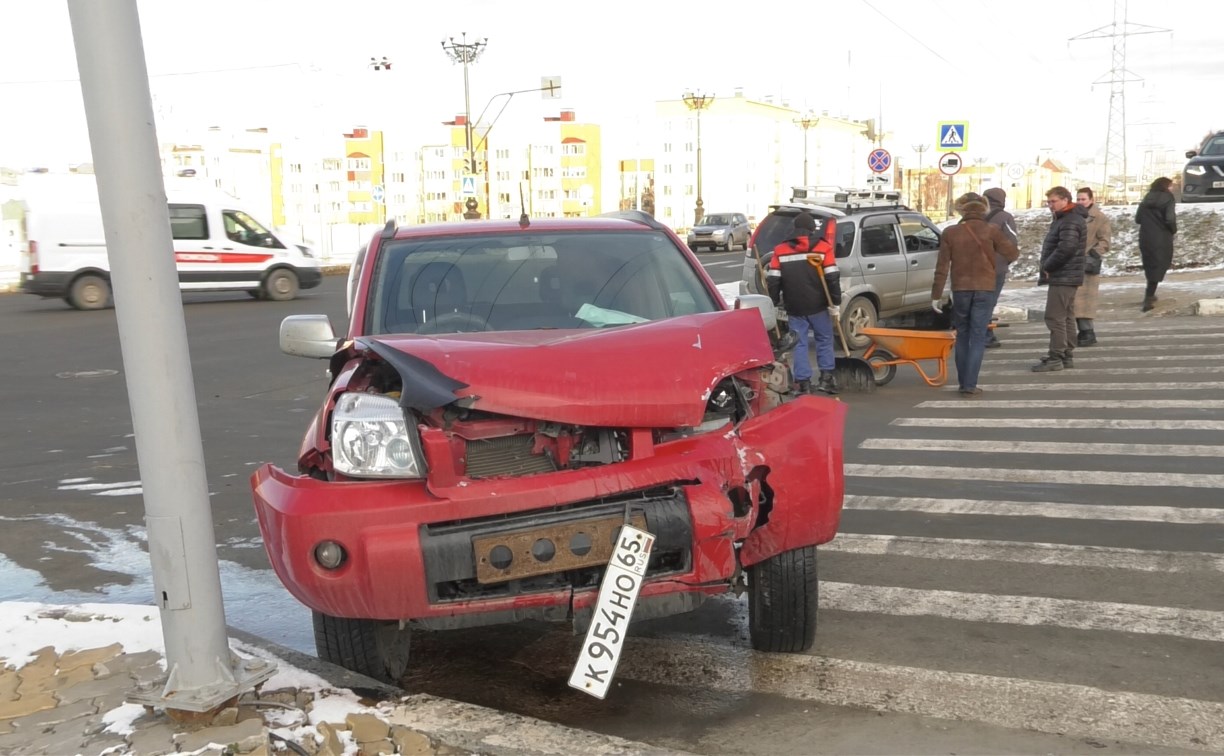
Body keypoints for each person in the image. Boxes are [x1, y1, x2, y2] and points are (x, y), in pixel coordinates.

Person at [931, 192, 1019, 396]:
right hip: (985, 288)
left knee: (962, 335)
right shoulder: (992, 230)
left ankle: (963, 383)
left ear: (962, 209)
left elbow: (942, 267)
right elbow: (1012, 253)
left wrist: (936, 295)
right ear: (984, 209)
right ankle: (970, 384)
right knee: (978, 336)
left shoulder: (950, 233)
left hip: (960, 290)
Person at [767, 211, 841, 395]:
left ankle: (804, 383)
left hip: (794, 306)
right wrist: (835, 301)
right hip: (819, 304)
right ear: (811, 229)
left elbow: (774, 279)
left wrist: (773, 301)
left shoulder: (780, 250)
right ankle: (826, 378)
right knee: (824, 339)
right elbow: (832, 277)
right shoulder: (824, 248)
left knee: (799, 344)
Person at [1033, 186, 1087, 372]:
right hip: (1067, 274)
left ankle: (1057, 356)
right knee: (1066, 316)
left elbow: (1067, 248)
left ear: (1065, 200)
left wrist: (1048, 266)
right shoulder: (1067, 218)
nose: (1050, 205)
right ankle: (1066, 354)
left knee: (1055, 317)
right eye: (1048, 202)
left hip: (1063, 274)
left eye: (1053, 201)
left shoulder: (1069, 220)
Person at [982, 188, 1018, 349]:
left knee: (978, 302)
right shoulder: (1005, 218)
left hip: (975, 268)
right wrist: (1005, 262)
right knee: (988, 303)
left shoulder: (975, 216)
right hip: (996, 268)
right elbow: (1011, 243)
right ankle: (986, 336)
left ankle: (977, 334)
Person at [1135, 176, 1178, 312]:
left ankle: (1150, 294)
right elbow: (1170, 218)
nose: (1172, 188)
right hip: (1162, 237)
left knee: (1150, 264)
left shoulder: (1147, 197)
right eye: (1170, 186)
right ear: (1165, 186)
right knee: (1161, 264)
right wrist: (1173, 230)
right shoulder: (1168, 198)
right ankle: (1148, 298)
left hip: (1146, 236)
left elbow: (1138, 218)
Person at [1076, 187, 1111, 345]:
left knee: (1084, 302)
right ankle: (1083, 333)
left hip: (1087, 263)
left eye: (1083, 199)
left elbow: (1105, 240)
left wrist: (1093, 254)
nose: (1080, 202)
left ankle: (1087, 333)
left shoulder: (1099, 217)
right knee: (1074, 301)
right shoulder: (1073, 215)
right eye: (1078, 199)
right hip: (1072, 262)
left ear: (1091, 200)